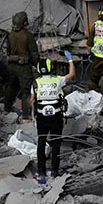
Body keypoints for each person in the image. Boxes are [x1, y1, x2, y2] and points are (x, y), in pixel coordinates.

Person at [31, 51, 75, 183]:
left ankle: (41, 174)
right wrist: (70, 60)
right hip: (55, 116)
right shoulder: (58, 80)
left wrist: (34, 116)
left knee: (41, 143)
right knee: (56, 144)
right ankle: (55, 172)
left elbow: (32, 101)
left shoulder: (36, 83)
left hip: (41, 117)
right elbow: (71, 75)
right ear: (51, 68)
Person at [4, 11, 38, 121]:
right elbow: (34, 53)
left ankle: (6, 108)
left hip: (11, 66)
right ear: (24, 22)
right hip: (23, 66)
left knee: (12, 87)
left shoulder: (10, 35)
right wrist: (36, 64)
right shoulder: (28, 35)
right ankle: (26, 116)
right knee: (26, 91)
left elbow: (8, 51)